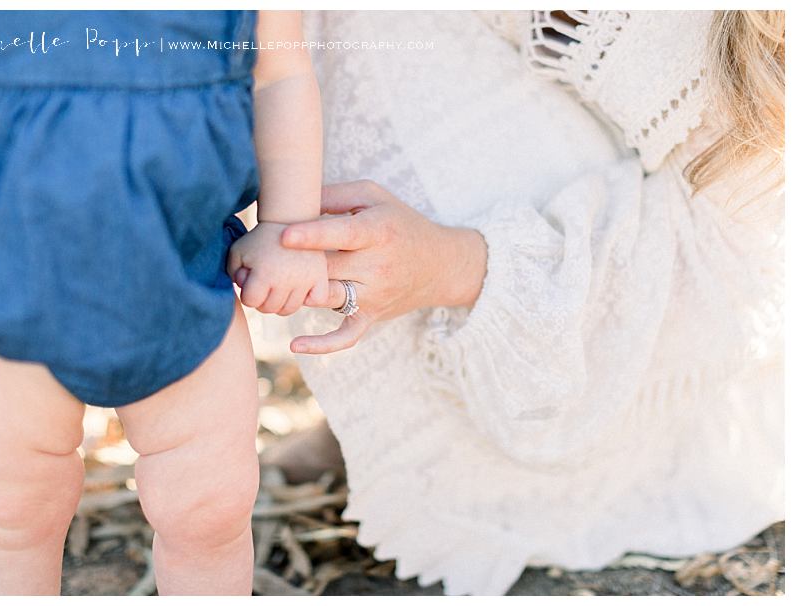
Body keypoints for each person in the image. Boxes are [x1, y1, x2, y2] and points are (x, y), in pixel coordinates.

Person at [263, 11, 784, 595]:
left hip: (638, 343)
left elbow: (738, 272)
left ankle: (452, 441)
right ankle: (374, 411)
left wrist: (451, 265)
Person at [0, 10, 325, 595]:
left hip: (177, 276)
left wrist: (286, 228)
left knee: (209, 507)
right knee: (13, 512)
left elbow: (279, 73)